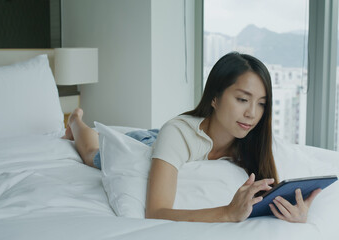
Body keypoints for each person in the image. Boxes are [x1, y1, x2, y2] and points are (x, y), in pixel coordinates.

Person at [63, 52, 321, 223]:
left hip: (170, 139)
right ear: (215, 97)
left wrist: (293, 212)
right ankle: (75, 120)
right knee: (92, 155)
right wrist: (228, 213)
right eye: (242, 99)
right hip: (151, 142)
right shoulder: (178, 133)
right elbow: (156, 212)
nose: (252, 114)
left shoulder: (252, 139)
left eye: (262, 104)